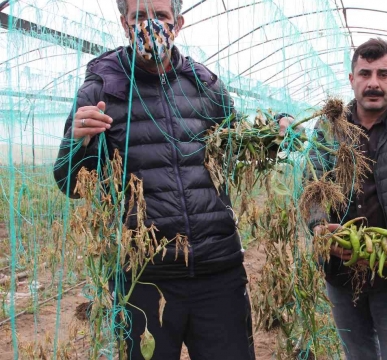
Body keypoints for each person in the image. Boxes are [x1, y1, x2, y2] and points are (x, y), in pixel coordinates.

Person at [53, 0, 287, 358]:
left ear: (178, 23)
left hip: (216, 269)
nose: (151, 26)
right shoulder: (101, 88)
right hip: (145, 276)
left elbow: (238, 150)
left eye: (160, 16)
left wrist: (274, 131)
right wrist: (76, 141)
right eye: (140, 17)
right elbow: (68, 182)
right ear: (124, 24)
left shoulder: (205, 84)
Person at [299, 38, 387, 360]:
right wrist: (320, 226)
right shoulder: (328, 129)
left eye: (383, 74)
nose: (373, 83)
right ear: (352, 80)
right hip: (341, 269)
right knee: (358, 354)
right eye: (365, 74)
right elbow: (314, 188)